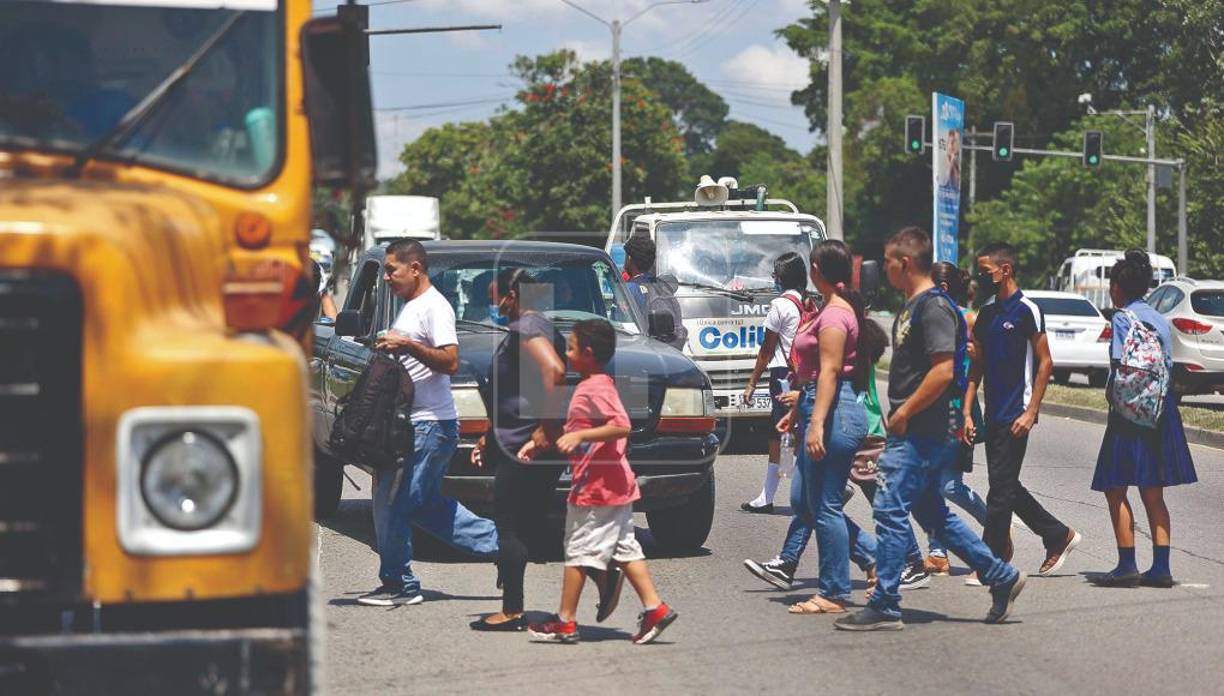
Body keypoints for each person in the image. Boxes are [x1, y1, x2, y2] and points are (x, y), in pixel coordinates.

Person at [835, 227, 1026, 631]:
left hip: (923, 430)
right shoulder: (913, 305)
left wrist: (904, 413)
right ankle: (1001, 575)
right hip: (919, 429)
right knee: (933, 515)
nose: (881, 269)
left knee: (888, 508)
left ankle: (886, 602)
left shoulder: (934, 308)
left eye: (886, 261)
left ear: (904, 263)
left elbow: (943, 371)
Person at [358, 239, 499, 606]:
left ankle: (402, 584)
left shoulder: (434, 307)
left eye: (392, 270)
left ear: (415, 268)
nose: (386, 277)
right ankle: (396, 581)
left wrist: (405, 346)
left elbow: (450, 361)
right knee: (405, 503)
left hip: (430, 425)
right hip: (410, 425)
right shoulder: (411, 307)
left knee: (403, 504)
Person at [746, 241, 882, 615]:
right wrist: (801, 412)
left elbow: (831, 372)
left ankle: (834, 591)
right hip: (818, 407)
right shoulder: (826, 309)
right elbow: (817, 375)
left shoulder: (836, 315)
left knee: (824, 506)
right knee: (804, 502)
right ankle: (872, 558)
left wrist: (817, 422)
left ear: (818, 272)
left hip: (834, 414)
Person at [520, 320, 678, 644]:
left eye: (571, 348)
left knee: (578, 551)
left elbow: (620, 426)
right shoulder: (596, 384)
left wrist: (579, 434)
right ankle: (655, 609)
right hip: (613, 486)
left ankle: (565, 622)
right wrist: (541, 444)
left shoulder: (595, 388)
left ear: (588, 354)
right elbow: (583, 429)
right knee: (625, 548)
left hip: (597, 488)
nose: (566, 353)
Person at [964, 242, 1081, 576]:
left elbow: (1045, 363)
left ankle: (989, 562)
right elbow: (977, 368)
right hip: (994, 412)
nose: (981, 278)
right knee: (1006, 485)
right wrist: (969, 411)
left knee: (1000, 490)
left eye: (986, 272)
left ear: (1006, 270)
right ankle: (1058, 535)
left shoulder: (1027, 309)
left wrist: (1031, 412)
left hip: (1018, 413)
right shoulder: (986, 314)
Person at [1090, 250, 1197, 587]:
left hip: (1128, 416)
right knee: (1153, 493)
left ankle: (1126, 565)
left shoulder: (1122, 318)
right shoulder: (1160, 319)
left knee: (1114, 488)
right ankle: (1162, 568)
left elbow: (1120, 365)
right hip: (1161, 413)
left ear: (1118, 287)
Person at [469, 268, 568, 632]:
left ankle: (511, 610)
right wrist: (488, 436)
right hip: (521, 442)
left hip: (526, 448)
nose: (493, 303)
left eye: (496, 295)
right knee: (526, 528)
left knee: (509, 527)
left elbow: (555, 373)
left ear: (514, 296)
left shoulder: (525, 329)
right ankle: (601, 576)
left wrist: (545, 428)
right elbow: (516, 391)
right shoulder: (540, 325)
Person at [921, 262, 990, 576]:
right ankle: (938, 553)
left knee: (949, 486)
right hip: (930, 413)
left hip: (958, 411)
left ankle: (995, 525)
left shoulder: (969, 319)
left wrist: (966, 412)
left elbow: (976, 368)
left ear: (943, 289)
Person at [740, 252, 808, 513]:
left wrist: (751, 383)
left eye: (775, 276)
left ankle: (771, 496)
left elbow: (767, 349)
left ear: (782, 278)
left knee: (781, 433)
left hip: (782, 374)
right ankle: (782, 490)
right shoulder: (807, 302)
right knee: (788, 432)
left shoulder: (780, 304)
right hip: (801, 373)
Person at [623, 235, 687, 349]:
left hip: (641, 350)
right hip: (670, 350)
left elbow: (622, 329)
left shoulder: (629, 289)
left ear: (629, 258)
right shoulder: (662, 286)